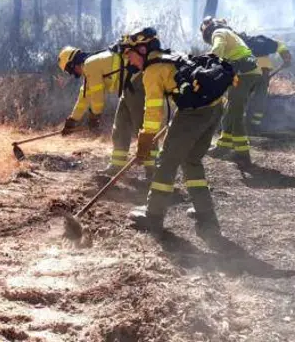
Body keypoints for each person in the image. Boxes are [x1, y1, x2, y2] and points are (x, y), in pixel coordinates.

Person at [124, 39, 231, 243]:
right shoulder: (172, 56)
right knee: (192, 160)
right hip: (215, 107)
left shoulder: (152, 71)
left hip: (193, 113)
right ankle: (206, 216)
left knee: (166, 162)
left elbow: (153, 111)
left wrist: (145, 141)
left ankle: (153, 216)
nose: (130, 61)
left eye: (131, 55)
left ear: (143, 50)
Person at [58, 32, 158, 179]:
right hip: (128, 88)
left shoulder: (90, 65)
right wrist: (73, 120)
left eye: (70, 70)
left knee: (141, 128)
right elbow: (85, 95)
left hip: (137, 83)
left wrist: (95, 116)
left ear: (73, 64)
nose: (74, 74)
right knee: (120, 128)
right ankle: (116, 167)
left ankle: (153, 170)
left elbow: (97, 96)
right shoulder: (91, 65)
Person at [200, 17, 262, 168]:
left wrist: (204, 68)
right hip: (248, 73)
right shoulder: (229, 32)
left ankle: (242, 153)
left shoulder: (218, 32)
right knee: (230, 109)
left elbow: (217, 50)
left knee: (236, 113)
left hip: (243, 75)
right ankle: (223, 146)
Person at [237, 32, 293, 132]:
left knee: (242, 98)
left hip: (248, 73)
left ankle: (241, 123)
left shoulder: (239, 42)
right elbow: (280, 45)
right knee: (260, 98)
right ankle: (255, 125)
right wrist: (286, 58)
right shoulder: (264, 41)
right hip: (264, 73)